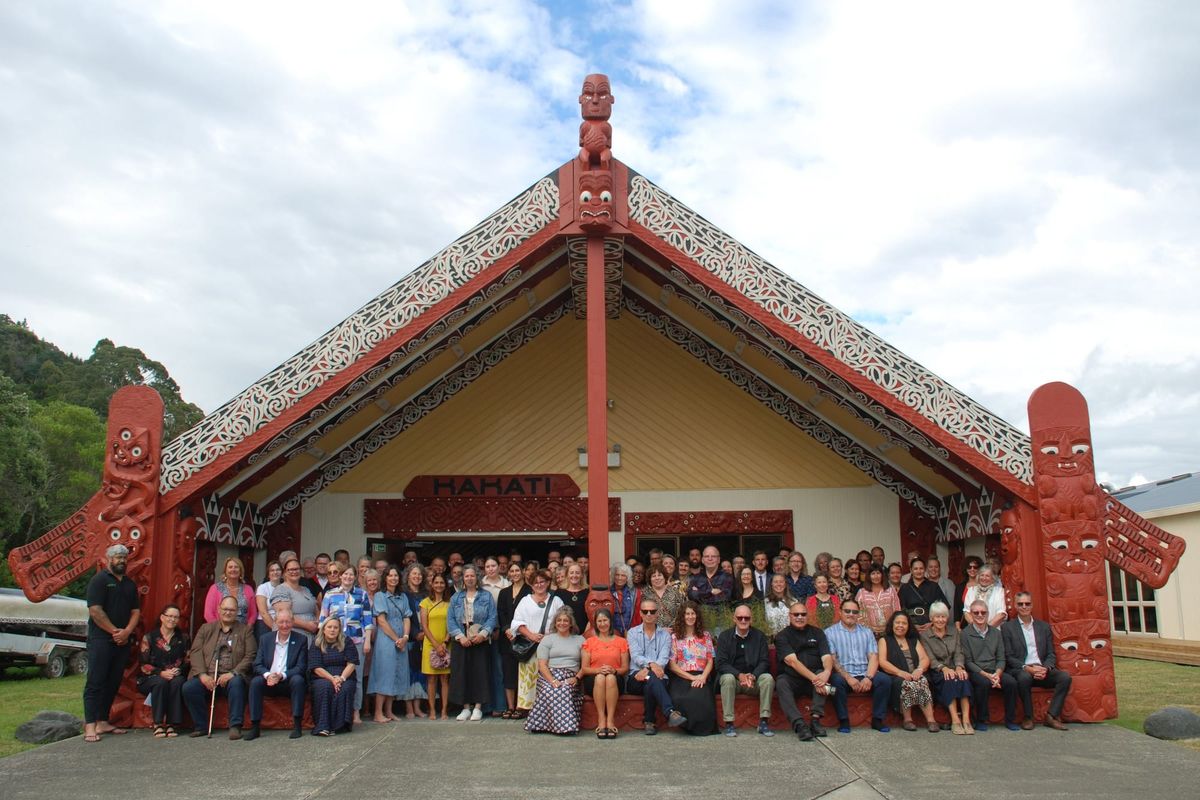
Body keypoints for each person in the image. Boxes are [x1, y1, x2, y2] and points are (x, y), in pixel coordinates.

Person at [83, 544, 141, 743]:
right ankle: (90, 724)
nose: (121, 561)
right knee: (95, 681)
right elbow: (95, 611)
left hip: (122, 640)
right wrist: (114, 631)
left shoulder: (129, 584)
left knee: (113, 681)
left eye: (124, 558)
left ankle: (103, 720)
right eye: (117, 557)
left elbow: (136, 611)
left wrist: (126, 632)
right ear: (109, 559)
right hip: (101, 639)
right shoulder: (99, 581)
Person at [183, 595, 257, 738]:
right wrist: (203, 675)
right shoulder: (206, 629)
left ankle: (235, 726)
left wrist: (233, 673)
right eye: (225, 609)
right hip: (208, 675)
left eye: (231, 610)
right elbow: (195, 652)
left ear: (237, 612)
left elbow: (251, 655)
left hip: (231, 676)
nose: (228, 612)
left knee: (237, 683)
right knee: (189, 688)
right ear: (218, 609)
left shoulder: (245, 631)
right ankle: (201, 726)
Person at [1001, 592, 1071, 731]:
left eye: (1027, 604)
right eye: (1020, 604)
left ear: (1032, 605)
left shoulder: (1043, 627)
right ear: (1015, 606)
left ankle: (1051, 715)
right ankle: (1028, 717)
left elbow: (1051, 653)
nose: (1024, 607)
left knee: (1065, 678)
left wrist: (1046, 668)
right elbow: (1008, 657)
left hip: (1042, 669)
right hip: (1022, 669)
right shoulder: (1008, 628)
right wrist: (1027, 667)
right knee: (1024, 677)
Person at [826, 598, 892, 733]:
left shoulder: (867, 632)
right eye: (847, 611)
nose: (851, 614)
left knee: (885, 680)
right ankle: (843, 720)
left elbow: (873, 656)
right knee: (835, 682)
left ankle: (877, 720)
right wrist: (848, 678)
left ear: (858, 614)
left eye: (854, 612)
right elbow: (832, 660)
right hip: (843, 675)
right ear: (840, 612)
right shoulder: (829, 632)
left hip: (865, 672)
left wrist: (868, 677)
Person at [319, 561, 374, 724]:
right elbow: (323, 618)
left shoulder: (362, 594)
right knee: (337, 675)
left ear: (355, 576)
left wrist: (367, 641)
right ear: (340, 576)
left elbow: (368, 620)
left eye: (351, 574)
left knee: (356, 678)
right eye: (345, 574)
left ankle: (356, 711)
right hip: (334, 641)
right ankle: (339, 710)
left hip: (356, 639)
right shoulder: (330, 594)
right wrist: (322, 641)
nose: (348, 577)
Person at [626, 597, 686, 734]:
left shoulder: (665, 635)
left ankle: (649, 722)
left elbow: (664, 657)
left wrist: (649, 669)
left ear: (657, 613)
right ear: (640, 613)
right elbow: (635, 656)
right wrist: (650, 666)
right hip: (636, 678)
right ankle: (670, 712)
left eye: (652, 611)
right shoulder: (632, 633)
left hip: (654, 678)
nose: (648, 614)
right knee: (651, 678)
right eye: (645, 611)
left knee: (650, 682)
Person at [245, 608, 308, 740]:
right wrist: (268, 675)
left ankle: (297, 725)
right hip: (269, 680)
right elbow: (257, 664)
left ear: (292, 622)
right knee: (256, 682)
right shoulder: (265, 639)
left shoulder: (301, 639)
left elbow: (301, 667)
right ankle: (255, 726)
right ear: (275, 622)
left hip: (288, 680)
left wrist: (281, 675)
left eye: (288, 622)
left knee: (298, 680)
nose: (284, 625)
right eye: (281, 622)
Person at [775, 601, 834, 741]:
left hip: (816, 677)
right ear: (789, 616)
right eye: (796, 614)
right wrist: (816, 679)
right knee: (781, 682)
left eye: (803, 614)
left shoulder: (818, 633)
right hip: (793, 678)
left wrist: (826, 673)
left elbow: (826, 656)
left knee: (832, 688)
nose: (800, 617)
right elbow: (792, 662)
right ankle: (800, 725)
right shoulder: (782, 636)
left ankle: (815, 720)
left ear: (808, 616)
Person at [509, 570, 563, 719]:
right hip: (530, 645)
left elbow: (564, 620)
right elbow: (517, 622)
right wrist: (531, 635)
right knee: (529, 678)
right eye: (536, 582)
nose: (539, 585)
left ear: (547, 583)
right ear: (531, 585)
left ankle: (547, 710)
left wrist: (549, 637)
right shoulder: (525, 601)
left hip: (551, 645)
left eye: (542, 581)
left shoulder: (556, 600)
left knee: (548, 676)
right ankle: (529, 710)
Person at [715, 604, 775, 737]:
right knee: (727, 678)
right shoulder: (725, 637)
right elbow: (721, 663)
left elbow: (764, 661)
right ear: (734, 619)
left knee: (768, 679)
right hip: (734, 682)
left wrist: (753, 676)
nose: (743, 621)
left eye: (746, 618)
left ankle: (764, 721)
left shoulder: (759, 636)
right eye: (740, 617)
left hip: (753, 681)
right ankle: (729, 723)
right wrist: (739, 675)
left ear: (751, 619)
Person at [961, 599, 1019, 731]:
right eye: (976, 613)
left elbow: (1001, 658)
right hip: (977, 671)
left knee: (1011, 682)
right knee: (983, 683)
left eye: (983, 612)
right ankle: (982, 719)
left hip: (995, 670)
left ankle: (1010, 719)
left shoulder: (996, 633)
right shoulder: (965, 634)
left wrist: (997, 674)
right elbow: (968, 661)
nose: (980, 615)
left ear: (987, 614)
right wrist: (986, 675)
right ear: (971, 614)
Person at [525, 608, 585, 734]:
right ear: (555, 623)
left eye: (565, 620)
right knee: (549, 689)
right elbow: (542, 665)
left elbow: (585, 665)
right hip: (549, 674)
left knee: (564, 689)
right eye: (559, 620)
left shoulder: (580, 640)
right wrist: (552, 680)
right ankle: (541, 726)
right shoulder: (547, 640)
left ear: (571, 623)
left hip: (570, 674)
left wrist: (576, 678)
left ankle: (566, 728)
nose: (562, 623)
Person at [448, 564, 496, 721]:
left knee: (480, 673)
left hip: (479, 638)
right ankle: (465, 707)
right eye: (466, 576)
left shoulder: (486, 596)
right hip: (461, 639)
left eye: (472, 575)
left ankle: (478, 707)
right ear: (463, 578)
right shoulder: (456, 597)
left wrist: (483, 634)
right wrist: (460, 637)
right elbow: (450, 620)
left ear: (477, 578)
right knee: (462, 674)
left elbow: (492, 617)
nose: (469, 578)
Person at [878, 611, 938, 732]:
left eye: (904, 623)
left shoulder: (913, 640)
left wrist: (919, 670)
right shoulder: (884, 640)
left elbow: (924, 659)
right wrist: (900, 672)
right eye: (898, 622)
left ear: (908, 626)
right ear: (892, 624)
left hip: (915, 674)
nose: (901, 626)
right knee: (907, 684)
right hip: (895, 675)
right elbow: (883, 662)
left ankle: (931, 720)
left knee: (922, 681)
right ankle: (907, 719)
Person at [136, 603, 189, 739]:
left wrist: (178, 670)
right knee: (160, 683)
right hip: (152, 676)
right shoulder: (150, 638)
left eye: (176, 617)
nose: (172, 620)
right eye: (169, 616)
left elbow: (188, 659)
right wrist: (160, 672)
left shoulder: (183, 638)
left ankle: (172, 723)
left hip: (176, 674)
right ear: (162, 617)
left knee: (177, 683)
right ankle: (158, 723)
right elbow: (143, 664)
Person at [920, 601, 973, 734]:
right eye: (937, 617)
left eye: (943, 616)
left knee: (963, 678)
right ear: (931, 618)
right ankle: (955, 720)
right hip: (937, 670)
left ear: (947, 617)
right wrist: (943, 668)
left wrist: (959, 667)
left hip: (954, 667)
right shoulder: (925, 635)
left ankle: (966, 720)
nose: (940, 620)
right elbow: (930, 657)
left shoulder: (954, 632)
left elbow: (959, 652)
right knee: (949, 679)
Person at [668, 601, 718, 736]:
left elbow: (710, 660)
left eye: (693, 613)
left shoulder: (705, 635)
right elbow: (672, 665)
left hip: (702, 675)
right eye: (687, 614)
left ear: (697, 616)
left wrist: (702, 677)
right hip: (681, 675)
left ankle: (701, 728)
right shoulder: (674, 637)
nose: (690, 616)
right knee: (680, 698)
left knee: (698, 696)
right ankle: (687, 726)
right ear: (682, 616)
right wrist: (691, 677)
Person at [370, 565, 412, 723]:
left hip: (401, 640)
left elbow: (407, 617)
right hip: (387, 640)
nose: (393, 578)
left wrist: (405, 637)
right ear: (385, 578)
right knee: (384, 674)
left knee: (396, 674)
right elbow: (381, 620)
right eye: (390, 575)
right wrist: (396, 639)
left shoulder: (403, 597)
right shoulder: (380, 596)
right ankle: (378, 713)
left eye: (396, 575)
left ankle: (389, 711)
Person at [580, 607, 629, 738]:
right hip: (593, 679)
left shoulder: (621, 642)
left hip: (615, 678)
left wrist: (614, 670)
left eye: (605, 620)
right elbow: (584, 668)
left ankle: (610, 720)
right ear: (595, 623)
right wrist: (598, 670)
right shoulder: (589, 642)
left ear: (610, 621)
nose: (602, 624)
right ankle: (601, 720)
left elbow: (625, 668)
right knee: (601, 677)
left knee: (610, 678)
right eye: (599, 621)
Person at [309, 617, 359, 736]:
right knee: (325, 687)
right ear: (324, 629)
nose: (332, 630)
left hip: (344, 675)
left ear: (340, 629)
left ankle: (339, 726)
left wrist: (341, 678)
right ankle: (323, 726)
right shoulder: (316, 642)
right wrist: (332, 679)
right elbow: (316, 667)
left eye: (335, 627)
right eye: (329, 627)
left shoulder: (347, 641)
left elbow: (352, 663)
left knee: (345, 688)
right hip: (322, 676)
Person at [496, 560, 530, 718]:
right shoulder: (504, 593)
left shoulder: (530, 591)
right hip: (507, 638)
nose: (515, 573)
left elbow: (530, 614)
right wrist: (507, 629)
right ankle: (510, 706)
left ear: (523, 571)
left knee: (523, 673)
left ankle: (521, 706)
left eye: (518, 570)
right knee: (508, 673)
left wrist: (517, 630)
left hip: (524, 638)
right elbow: (501, 613)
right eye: (512, 571)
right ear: (508, 574)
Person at [420, 573, 452, 720]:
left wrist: (444, 642)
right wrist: (435, 644)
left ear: (445, 585)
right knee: (431, 679)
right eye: (436, 582)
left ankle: (444, 710)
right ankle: (432, 710)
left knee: (445, 679)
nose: (439, 585)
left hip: (446, 644)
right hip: (430, 643)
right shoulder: (425, 603)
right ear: (432, 585)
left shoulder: (450, 603)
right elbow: (424, 626)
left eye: (442, 583)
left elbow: (452, 624)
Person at [399, 563, 428, 717]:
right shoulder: (403, 594)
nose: (417, 577)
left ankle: (418, 707)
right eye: (414, 574)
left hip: (425, 639)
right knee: (408, 673)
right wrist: (415, 633)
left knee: (420, 674)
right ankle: (409, 708)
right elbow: (405, 616)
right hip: (410, 639)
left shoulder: (426, 594)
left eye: (419, 574)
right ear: (408, 576)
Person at [271, 558, 320, 640]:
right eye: (290, 569)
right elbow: (284, 615)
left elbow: (316, 608)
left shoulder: (306, 589)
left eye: (297, 569)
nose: (294, 572)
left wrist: (318, 622)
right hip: (291, 635)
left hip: (310, 635)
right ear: (285, 573)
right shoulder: (281, 590)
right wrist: (307, 625)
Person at [204, 556, 258, 627]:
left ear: (240, 571)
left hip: (243, 632)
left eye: (236, 567)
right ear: (225, 571)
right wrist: (220, 630)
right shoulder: (215, 588)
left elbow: (253, 614)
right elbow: (208, 614)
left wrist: (247, 629)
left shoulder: (248, 589)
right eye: (230, 567)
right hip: (219, 631)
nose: (233, 569)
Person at [898, 558, 948, 633]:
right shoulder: (905, 588)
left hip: (931, 627)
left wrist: (932, 623)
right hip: (910, 628)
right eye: (915, 569)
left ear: (925, 570)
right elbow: (899, 610)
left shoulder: (933, 586)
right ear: (911, 570)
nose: (919, 571)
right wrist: (910, 625)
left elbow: (944, 608)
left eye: (921, 568)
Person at [856, 563, 901, 637]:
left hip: (889, 632)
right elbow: (859, 614)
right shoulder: (862, 592)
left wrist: (892, 628)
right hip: (868, 633)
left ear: (882, 575)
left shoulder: (890, 590)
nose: (876, 576)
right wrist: (868, 629)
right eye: (873, 573)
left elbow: (897, 610)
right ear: (869, 576)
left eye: (878, 573)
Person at [642, 565, 683, 630]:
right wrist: (659, 629)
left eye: (659, 575)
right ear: (650, 579)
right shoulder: (645, 594)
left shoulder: (675, 592)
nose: (657, 578)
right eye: (653, 576)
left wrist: (671, 628)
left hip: (673, 632)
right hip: (653, 633)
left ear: (664, 577)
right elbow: (643, 615)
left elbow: (681, 612)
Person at [555, 562, 591, 634]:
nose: (574, 575)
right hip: (564, 634)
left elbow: (591, 615)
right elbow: (556, 615)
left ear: (581, 575)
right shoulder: (559, 592)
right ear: (567, 575)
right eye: (571, 573)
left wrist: (586, 633)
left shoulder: (588, 592)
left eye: (577, 573)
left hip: (584, 633)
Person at [254, 560, 283, 638]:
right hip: (265, 624)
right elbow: (263, 612)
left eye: (278, 570)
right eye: (272, 570)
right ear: (268, 574)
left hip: (283, 624)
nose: (275, 572)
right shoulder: (263, 588)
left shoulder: (285, 587)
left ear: (282, 573)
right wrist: (276, 628)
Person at [610, 563, 640, 635]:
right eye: (617, 575)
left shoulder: (635, 593)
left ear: (627, 578)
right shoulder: (608, 592)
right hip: (611, 634)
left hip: (630, 633)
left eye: (623, 575)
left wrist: (633, 632)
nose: (619, 578)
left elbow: (637, 616)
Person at [953, 556, 983, 625]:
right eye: (969, 567)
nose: (972, 569)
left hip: (982, 623)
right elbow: (956, 609)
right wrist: (957, 625)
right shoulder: (959, 587)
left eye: (975, 567)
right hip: (964, 625)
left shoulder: (984, 586)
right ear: (965, 569)